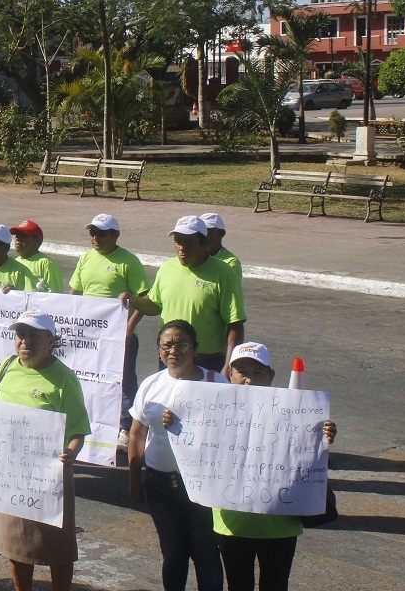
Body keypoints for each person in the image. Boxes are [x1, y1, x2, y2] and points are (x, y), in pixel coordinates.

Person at [209, 343, 337, 591]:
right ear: (230, 374)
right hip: (232, 522)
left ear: (271, 376)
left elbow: (311, 450)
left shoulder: (295, 412)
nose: (249, 379)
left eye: (258, 373)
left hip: (280, 522)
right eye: (242, 371)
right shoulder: (213, 410)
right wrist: (173, 421)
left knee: (276, 585)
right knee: (238, 585)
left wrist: (325, 434)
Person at [0, 311, 90, 591]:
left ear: (50, 340)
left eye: (34, 334)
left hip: (49, 476)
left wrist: (70, 453)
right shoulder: (7, 367)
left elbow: (78, 431)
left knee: (58, 546)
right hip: (11, 475)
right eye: (20, 334)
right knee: (16, 544)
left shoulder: (64, 379)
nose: (25, 340)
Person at [127, 320, 227, 591]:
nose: (173, 350)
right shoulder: (151, 385)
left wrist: (191, 420)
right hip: (160, 486)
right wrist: (135, 479)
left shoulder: (217, 382)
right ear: (159, 350)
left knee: (206, 553)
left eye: (181, 344)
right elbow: (136, 434)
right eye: (167, 345)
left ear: (194, 349)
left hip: (202, 487)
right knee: (173, 554)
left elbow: (230, 432)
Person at [68, 213, 150, 448]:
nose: (95, 237)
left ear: (115, 235)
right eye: (92, 232)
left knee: (123, 382)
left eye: (101, 233)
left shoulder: (128, 261)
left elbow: (144, 299)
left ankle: (126, 428)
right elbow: (74, 293)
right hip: (88, 336)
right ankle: (93, 424)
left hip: (118, 337)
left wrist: (128, 328)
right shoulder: (85, 259)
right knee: (87, 379)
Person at [132, 215, 246, 373]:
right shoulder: (167, 268)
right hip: (170, 358)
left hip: (207, 362)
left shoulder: (223, 272)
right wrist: (132, 300)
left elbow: (235, 323)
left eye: (189, 242)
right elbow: (154, 305)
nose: (182, 247)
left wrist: (228, 365)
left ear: (203, 242)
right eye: (178, 241)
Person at [11, 219, 63, 292]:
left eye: (24, 236)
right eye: (17, 235)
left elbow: (55, 295)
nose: (18, 239)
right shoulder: (15, 262)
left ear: (37, 241)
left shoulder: (45, 264)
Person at [200, 213, 244, 284]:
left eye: (207, 231)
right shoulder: (195, 257)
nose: (203, 236)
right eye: (201, 232)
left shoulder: (230, 263)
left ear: (221, 233)